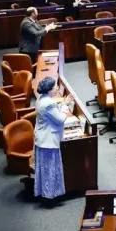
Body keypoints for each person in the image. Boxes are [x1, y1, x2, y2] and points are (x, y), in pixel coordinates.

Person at [34, 77, 72, 205]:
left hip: (42, 138)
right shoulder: (48, 104)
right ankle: (50, 197)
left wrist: (61, 103)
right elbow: (61, 118)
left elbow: (52, 110)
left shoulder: (41, 99)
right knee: (51, 169)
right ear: (49, 90)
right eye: (55, 86)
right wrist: (65, 105)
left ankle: (45, 193)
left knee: (45, 170)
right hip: (48, 141)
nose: (56, 88)